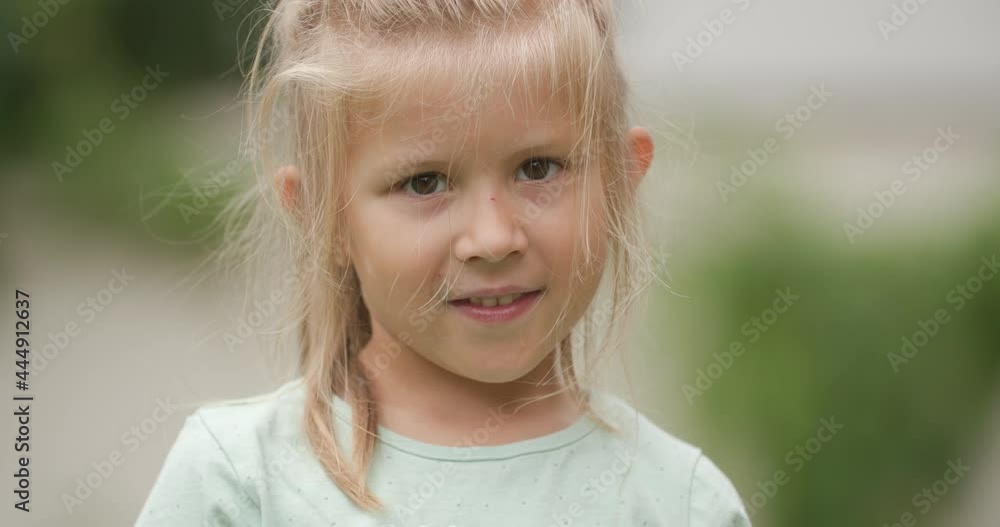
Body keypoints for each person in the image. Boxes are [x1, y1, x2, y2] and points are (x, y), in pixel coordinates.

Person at [136, 0, 751, 525]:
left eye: (539, 168)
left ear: (620, 179)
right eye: (425, 182)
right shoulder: (237, 485)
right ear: (324, 218)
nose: (492, 237)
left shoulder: (681, 504)